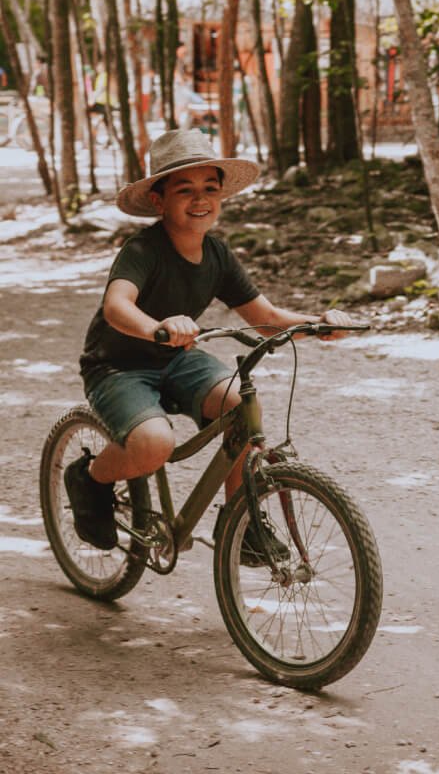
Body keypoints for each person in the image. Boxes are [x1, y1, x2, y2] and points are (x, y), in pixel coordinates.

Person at [65, 129, 355, 562]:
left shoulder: (217, 255)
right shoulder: (143, 250)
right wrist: (157, 327)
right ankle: (91, 478)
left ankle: (241, 522)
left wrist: (319, 323)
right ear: (159, 202)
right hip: (118, 367)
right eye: (185, 190)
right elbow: (116, 306)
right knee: (153, 446)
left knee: (240, 408)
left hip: (177, 359)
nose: (200, 199)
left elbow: (266, 319)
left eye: (210, 189)